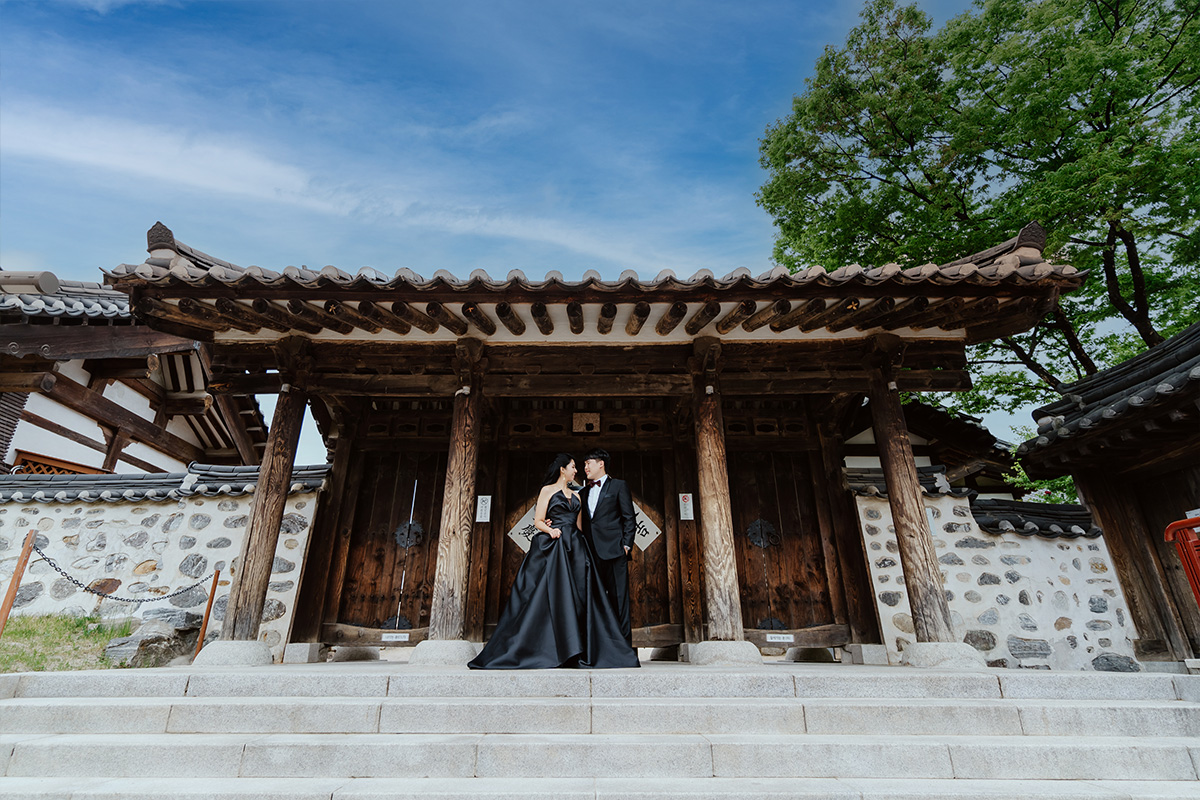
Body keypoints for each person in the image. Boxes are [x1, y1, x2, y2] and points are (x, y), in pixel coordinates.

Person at [468, 453, 638, 669]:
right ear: (562, 469)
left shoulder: (579, 496)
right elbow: (538, 520)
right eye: (574, 466)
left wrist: (617, 546)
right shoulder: (547, 491)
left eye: (583, 465)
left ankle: (585, 648)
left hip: (577, 548)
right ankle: (550, 647)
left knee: (581, 597)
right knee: (551, 595)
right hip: (554, 545)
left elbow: (582, 526)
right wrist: (550, 529)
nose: (577, 470)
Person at [580, 448, 636, 647]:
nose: (585, 467)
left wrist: (626, 546)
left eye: (588, 463)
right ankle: (598, 647)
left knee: (619, 599)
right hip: (590, 553)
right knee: (593, 600)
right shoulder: (583, 491)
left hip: (615, 552)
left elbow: (629, 518)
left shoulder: (619, 486)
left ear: (600, 463)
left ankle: (623, 649)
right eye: (584, 464)